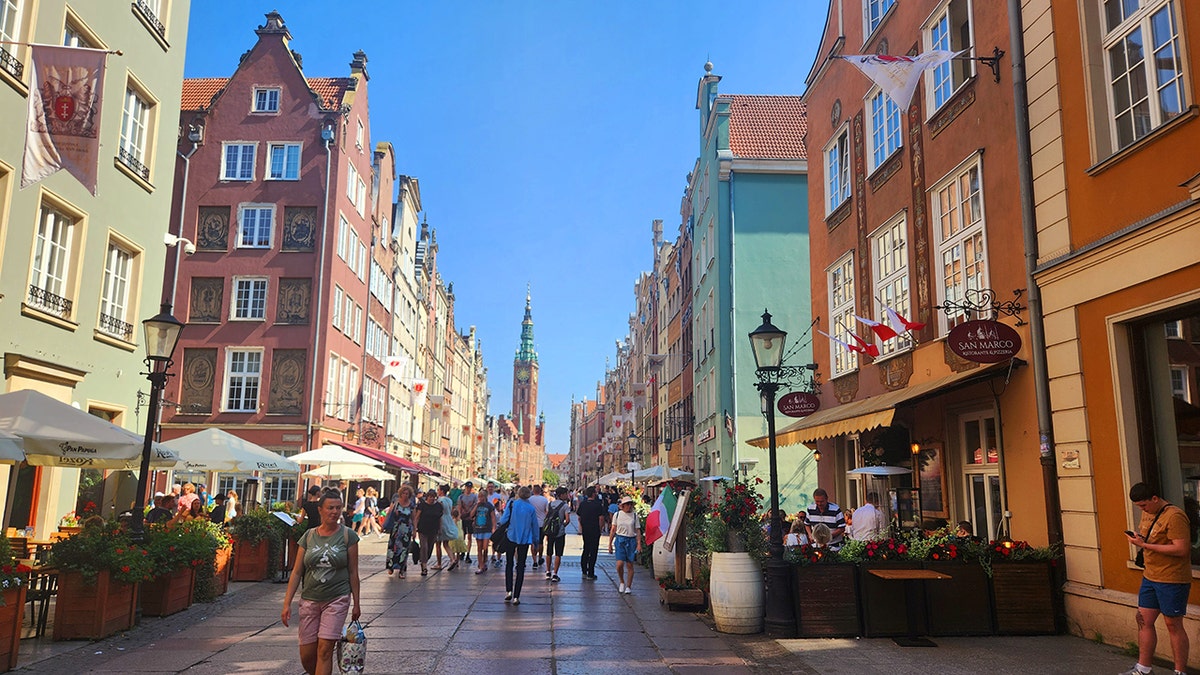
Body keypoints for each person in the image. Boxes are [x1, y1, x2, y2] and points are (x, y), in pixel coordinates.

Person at [282, 488, 361, 675]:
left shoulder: (348, 536)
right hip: (309, 599)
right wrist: (287, 603)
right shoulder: (308, 536)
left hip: (337, 599)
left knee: (325, 650)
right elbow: (297, 572)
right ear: (320, 510)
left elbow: (353, 572)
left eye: (338, 507)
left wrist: (356, 603)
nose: (335, 512)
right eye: (330, 507)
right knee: (307, 655)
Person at [1122, 482, 1192, 675]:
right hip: (1150, 576)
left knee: (1173, 624)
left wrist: (1145, 546)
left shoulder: (1175, 516)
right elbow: (1149, 536)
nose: (1142, 510)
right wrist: (1140, 538)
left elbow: (1181, 549)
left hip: (1172, 578)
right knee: (1144, 620)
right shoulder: (1148, 513)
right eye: (1138, 507)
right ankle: (1143, 668)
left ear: (1155, 499)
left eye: (1144, 506)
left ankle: (1180, 671)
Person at [497, 485, 537, 605]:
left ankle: (508, 590)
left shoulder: (512, 504)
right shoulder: (531, 508)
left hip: (511, 536)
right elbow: (534, 526)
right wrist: (536, 541)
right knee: (520, 567)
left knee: (509, 563)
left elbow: (504, 520)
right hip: (524, 539)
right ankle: (516, 596)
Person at [608, 496, 642, 594]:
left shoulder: (634, 516)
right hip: (620, 539)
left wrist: (639, 544)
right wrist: (609, 544)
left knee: (629, 564)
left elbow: (637, 530)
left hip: (631, 540)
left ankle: (629, 586)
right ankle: (622, 581)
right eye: (627, 504)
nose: (629, 506)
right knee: (619, 564)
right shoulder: (617, 515)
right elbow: (613, 529)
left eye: (630, 504)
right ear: (622, 506)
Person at [382, 486, 416, 578]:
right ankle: (391, 567)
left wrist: (414, 530)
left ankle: (402, 570)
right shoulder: (396, 503)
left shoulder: (411, 505)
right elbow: (389, 513)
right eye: (404, 493)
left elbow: (413, 518)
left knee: (404, 550)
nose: (405, 495)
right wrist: (384, 524)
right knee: (393, 548)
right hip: (396, 529)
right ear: (400, 494)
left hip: (406, 530)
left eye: (407, 494)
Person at [575, 486, 606, 580]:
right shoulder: (598, 504)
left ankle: (584, 570)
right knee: (593, 551)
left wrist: (582, 527)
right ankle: (591, 572)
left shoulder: (583, 504)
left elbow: (579, 517)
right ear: (593, 494)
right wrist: (600, 529)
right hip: (595, 529)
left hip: (586, 530)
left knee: (586, 549)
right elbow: (601, 518)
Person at [413, 490, 444, 576]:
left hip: (433, 530)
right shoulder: (422, 505)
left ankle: (423, 559)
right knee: (424, 547)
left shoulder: (438, 506)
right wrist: (415, 529)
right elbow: (417, 517)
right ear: (427, 497)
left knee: (430, 548)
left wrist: (440, 529)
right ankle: (424, 567)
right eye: (430, 497)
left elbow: (440, 518)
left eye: (433, 497)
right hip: (423, 529)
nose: (431, 499)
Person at [544, 487, 571, 582]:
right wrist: (562, 525)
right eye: (565, 494)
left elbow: (547, 517)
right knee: (558, 553)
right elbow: (567, 520)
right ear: (561, 495)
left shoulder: (550, 504)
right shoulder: (565, 506)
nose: (567, 495)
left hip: (550, 532)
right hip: (559, 533)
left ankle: (548, 572)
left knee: (549, 552)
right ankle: (555, 574)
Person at [471, 490, 496, 574]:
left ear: (485, 497)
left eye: (482, 496)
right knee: (479, 547)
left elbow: (493, 517)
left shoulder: (489, 506)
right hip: (478, 528)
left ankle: (484, 561)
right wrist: (476, 505)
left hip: (486, 528)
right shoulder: (477, 505)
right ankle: (480, 565)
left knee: (485, 547)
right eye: (479, 496)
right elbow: (471, 515)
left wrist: (493, 527)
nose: (480, 498)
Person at [436, 484, 460, 570]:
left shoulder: (440, 500)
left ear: (442, 491)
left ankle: (439, 564)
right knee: (446, 543)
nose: (437, 491)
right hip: (448, 520)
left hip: (442, 521)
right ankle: (452, 559)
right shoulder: (449, 500)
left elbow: (439, 511)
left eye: (438, 490)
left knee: (438, 543)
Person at [528, 484, 550, 569]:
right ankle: (540, 557)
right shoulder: (544, 500)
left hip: (532, 523)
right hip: (542, 523)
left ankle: (534, 561)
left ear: (533, 491)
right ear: (540, 491)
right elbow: (547, 512)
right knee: (541, 542)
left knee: (533, 542)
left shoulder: (529, 500)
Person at [458, 482, 479, 565]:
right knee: (462, 536)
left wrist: (473, 517)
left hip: (470, 518)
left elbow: (475, 506)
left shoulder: (474, 497)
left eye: (470, 487)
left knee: (469, 536)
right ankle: (462, 551)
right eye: (467, 487)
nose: (468, 489)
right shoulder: (461, 497)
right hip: (463, 518)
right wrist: (459, 517)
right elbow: (459, 507)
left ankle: (468, 553)